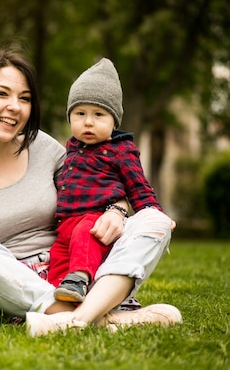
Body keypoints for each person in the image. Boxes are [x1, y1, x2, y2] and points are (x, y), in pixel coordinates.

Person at [0, 44, 182, 336]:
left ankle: (74, 319)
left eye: (25, 98)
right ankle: (101, 317)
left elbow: (99, 185)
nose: (15, 107)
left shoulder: (44, 148)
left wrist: (118, 211)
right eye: (1, 94)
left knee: (154, 220)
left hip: (72, 277)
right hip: (5, 286)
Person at [48, 57, 166, 304]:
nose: (88, 122)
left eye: (98, 114)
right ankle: (60, 296)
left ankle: (79, 278)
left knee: (84, 237)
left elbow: (138, 186)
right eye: (80, 113)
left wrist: (154, 213)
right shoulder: (71, 147)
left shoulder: (121, 150)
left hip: (96, 220)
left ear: (114, 122)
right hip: (65, 224)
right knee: (58, 257)